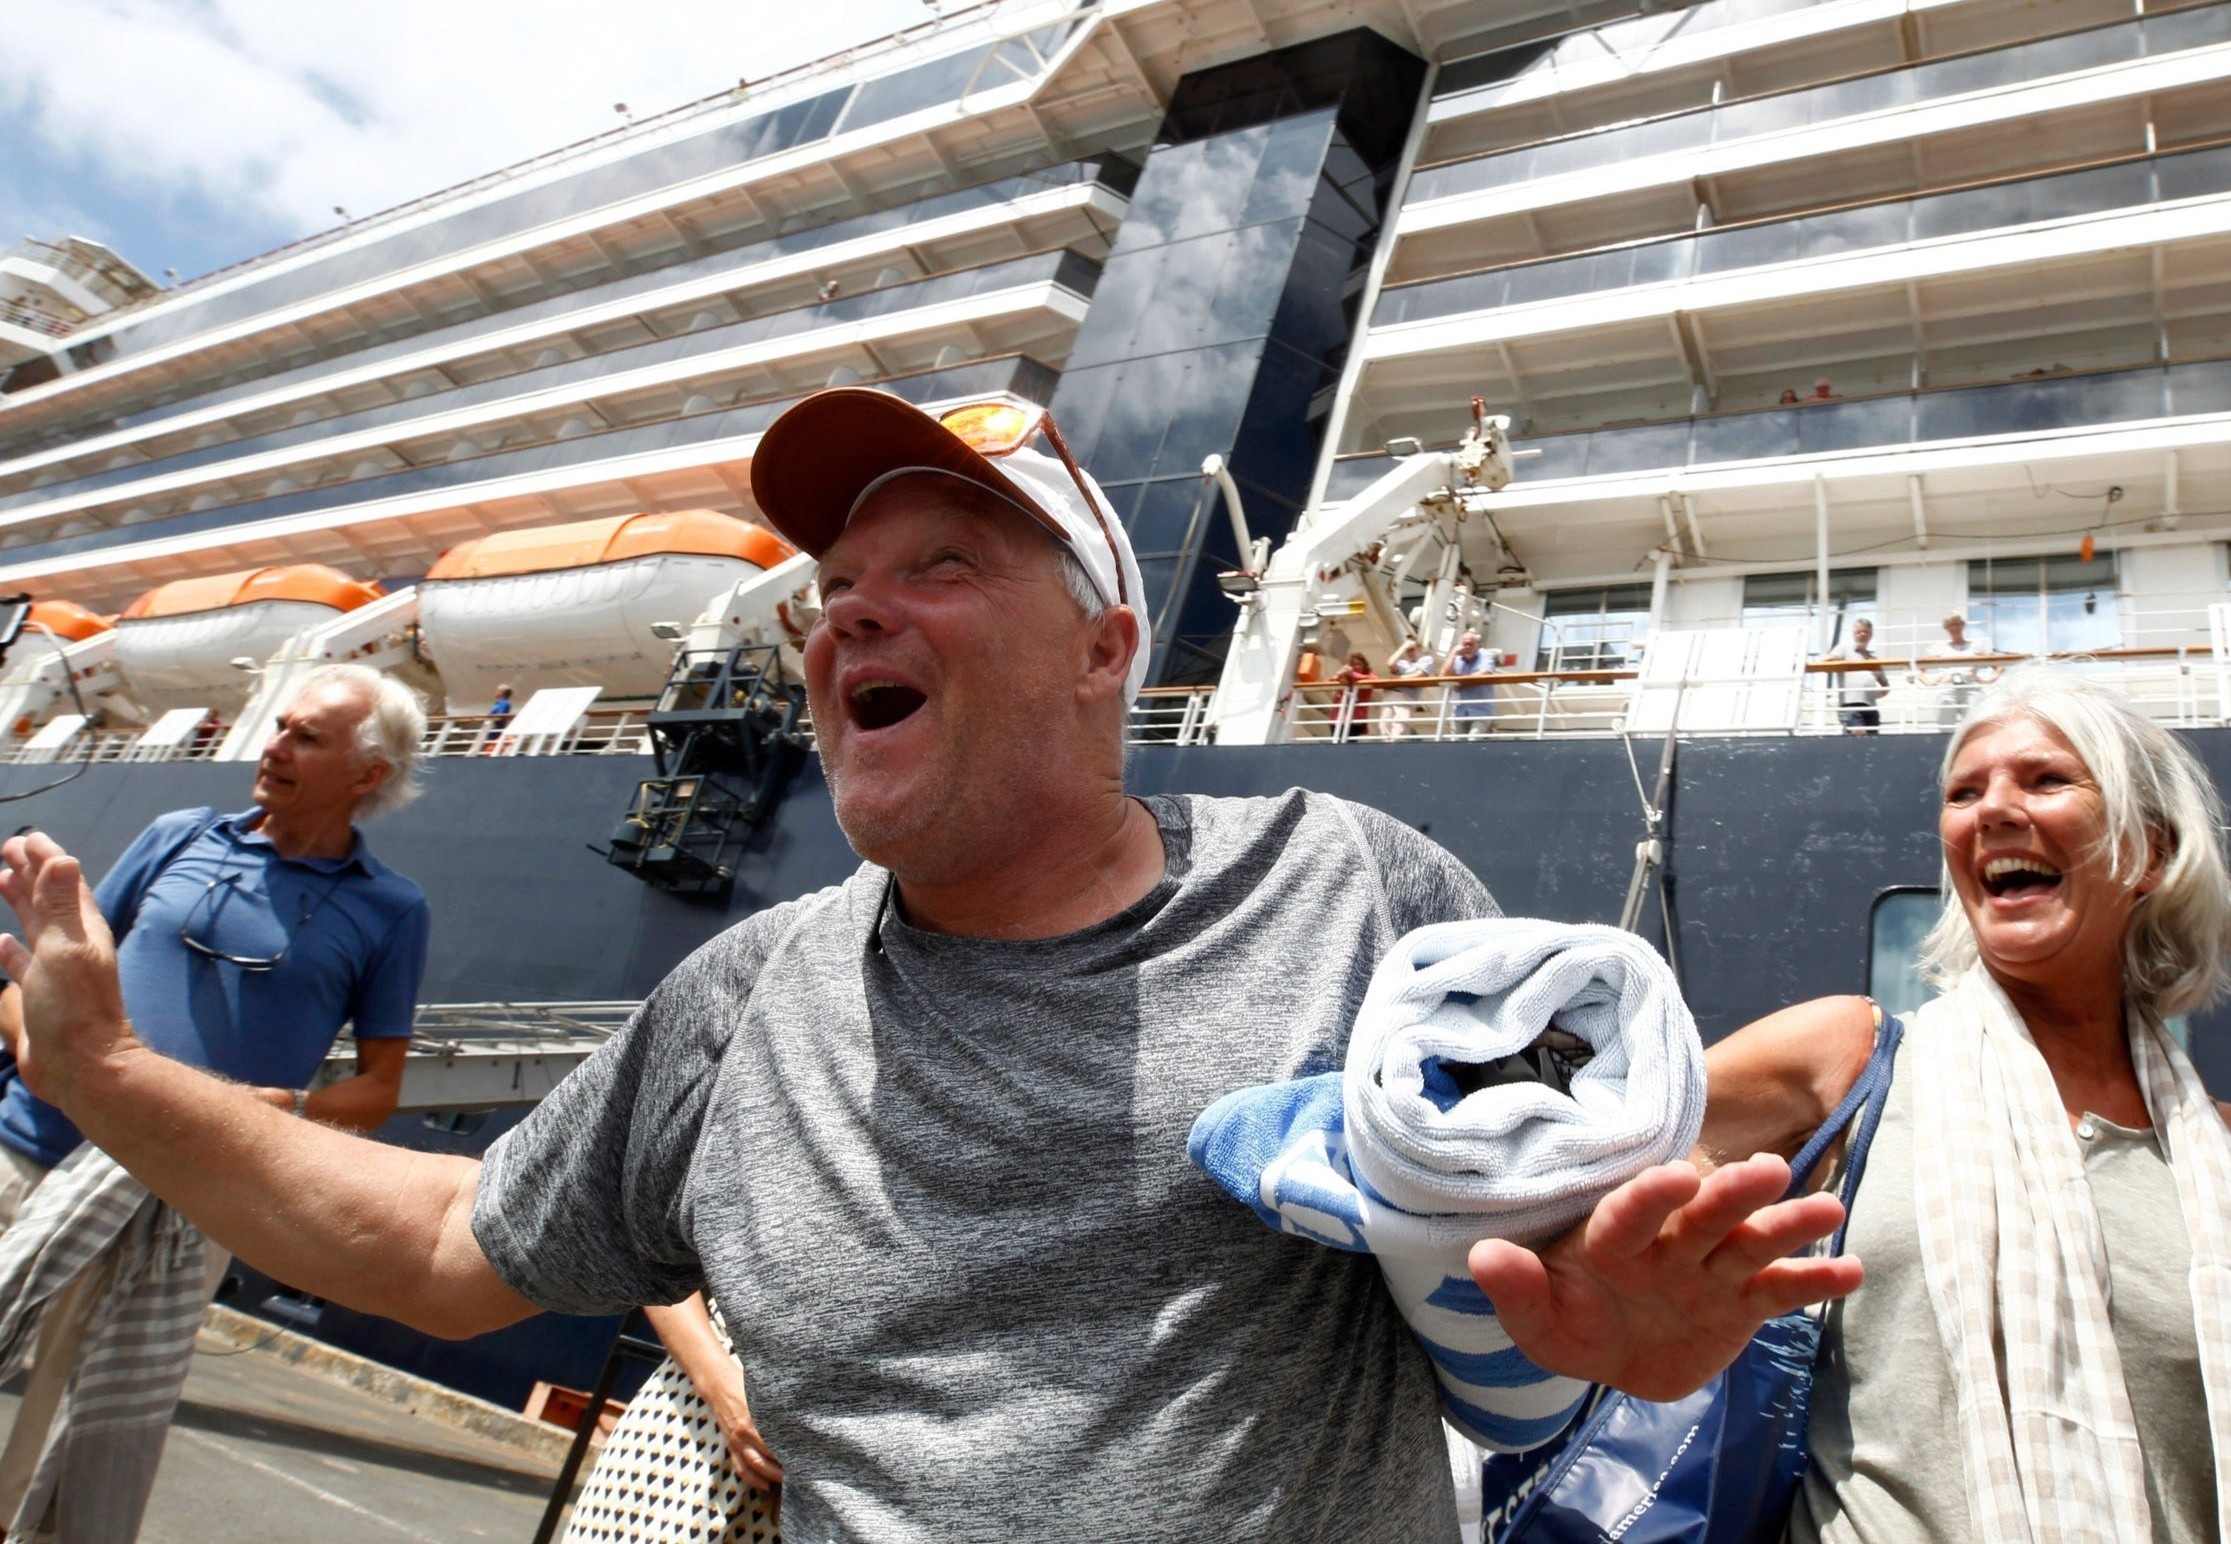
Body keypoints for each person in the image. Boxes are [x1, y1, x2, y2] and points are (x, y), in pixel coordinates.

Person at [0, 388, 1851, 1544]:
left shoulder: (1360, 894)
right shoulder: (744, 997)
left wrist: (1631, 1351)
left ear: (1102, 647)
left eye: (940, 561)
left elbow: (1534, 1315)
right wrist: (100, 1068)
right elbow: (432, 1238)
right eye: (831, 588)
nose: (846, 615)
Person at [1539, 671, 2226, 1543]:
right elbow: (1555, 1180)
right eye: (1963, 792)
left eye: (2046, 779)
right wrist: (1611, 1306)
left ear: (2148, 852)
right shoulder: (1848, 1057)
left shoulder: (2213, 1154)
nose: (1991, 810)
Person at [0, 662, 431, 1532]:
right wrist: (40, 1049)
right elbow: (44, 972)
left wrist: (284, 1113)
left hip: (188, 1198)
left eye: (306, 736)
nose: (273, 746)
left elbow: (380, 1089)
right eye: (279, 725)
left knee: (57, 1439)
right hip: (26, 1152)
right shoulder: (177, 835)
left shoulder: (392, 910)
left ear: (366, 774)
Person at [1919, 610, 2000, 727]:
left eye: (1957, 624)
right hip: (1947, 688)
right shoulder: (1939, 647)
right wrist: (1929, 681)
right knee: (1945, 725)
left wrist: (1988, 679)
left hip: (1970, 687)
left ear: (1963, 626)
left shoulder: (1976, 646)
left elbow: (1998, 665)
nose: (1955, 628)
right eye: (1951, 625)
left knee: (1973, 725)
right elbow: (1920, 668)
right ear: (1946, 628)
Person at [1820, 617, 1890, 735]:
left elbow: (1885, 686)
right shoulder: (1843, 650)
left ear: (1870, 634)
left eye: (1866, 632)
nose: (1862, 634)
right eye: (1859, 632)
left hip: (1870, 706)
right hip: (1849, 704)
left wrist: (1870, 693)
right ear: (1853, 634)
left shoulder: (1874, 660)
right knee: (1858, 733)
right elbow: (1828, 660)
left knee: (1872, 740)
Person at [1440, 630, 1498, 739]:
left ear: (1477, 645)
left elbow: (1484, 673)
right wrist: (1453, 653)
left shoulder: (1485, 655)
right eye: (1464, 644)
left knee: (1473, 740)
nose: (1467, 647)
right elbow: (1443, 675)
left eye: (1470, 644)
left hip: (1481, 711)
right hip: (1460, 711)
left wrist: (1459, 682)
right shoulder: (1456, 659)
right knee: (1457, 744)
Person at [1383, 637, 1433, 740]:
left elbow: (1419, 675)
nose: (1410, 652)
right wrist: (1403, 647)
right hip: (1392, 694)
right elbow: (1390, 664)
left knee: (1400, 726)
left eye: (1412, 649)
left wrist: (1399, 678)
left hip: (1407, 697)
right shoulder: (1403, 663)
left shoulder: (1427, 660)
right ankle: (1386, 748)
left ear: (1419, 649)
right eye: (1408, 650)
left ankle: (1394, 748)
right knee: (1384, 725)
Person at [1333, 650, 1376, 738]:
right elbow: (1331, 681)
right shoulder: (1345, 676)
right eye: (1353, 664)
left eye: (1359, 664)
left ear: (1364, 665)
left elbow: (1374, 680)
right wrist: (1339, 675)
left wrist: (1352, 674)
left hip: (1356, 719)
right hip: (1338, 718)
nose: (1356, 666)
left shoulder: (1369, 675)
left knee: (1350, 744)